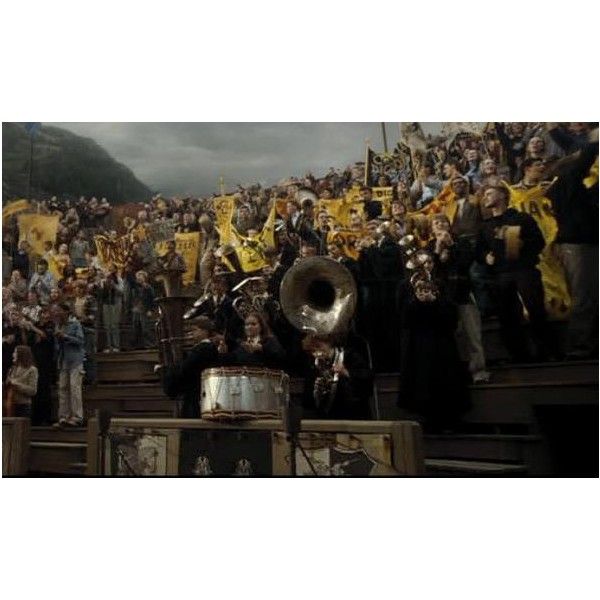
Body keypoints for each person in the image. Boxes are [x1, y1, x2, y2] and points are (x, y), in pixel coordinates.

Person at [476, 186, 557, 362]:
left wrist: (522, 244)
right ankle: (519, 355)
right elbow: (480, 250)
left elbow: (539, 241)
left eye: (489, 193)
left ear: (503, 195)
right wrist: (485, 257)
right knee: (507, 316)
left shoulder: (521, 218)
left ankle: (547, 351)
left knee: (536, 310)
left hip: (524, 270)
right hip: (501, 274)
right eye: (484, 195)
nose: (485, 197)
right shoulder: (484, 226)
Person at [546, 137, 599, 359]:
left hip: (585, 244)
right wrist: (595, 141)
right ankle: (579, 347)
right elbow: (584, 159)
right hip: (578, 246)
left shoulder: (575, 189)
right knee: (584, 297)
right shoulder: (564, 182)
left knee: (591, 296)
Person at [429, 214, 490, 383]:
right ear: (432, 228)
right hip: (442, 297)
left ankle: (479, 371)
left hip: (462, 292)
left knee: (472, 334)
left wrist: (450, 244)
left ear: (449, 225)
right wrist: (436, 250)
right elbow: (431, 272)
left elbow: (465, 262)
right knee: (448, 337)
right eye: (436, 222)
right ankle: (454, 373)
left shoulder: (461, 242)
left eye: (444, 221)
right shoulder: (428, 246)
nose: (440, 224)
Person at [300, 333, 373, 420]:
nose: (316, 353)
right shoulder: (314, 365)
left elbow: (367, 377)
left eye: (318, 346)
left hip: (353, 415)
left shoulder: (349, 355)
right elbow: (307, 399)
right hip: (326, 418)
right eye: (312, 351)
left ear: (329, 343)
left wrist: (346, 372)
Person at [161, 316, 219, 418]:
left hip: (196, 395)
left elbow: (186, 368)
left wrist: (166, 370)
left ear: (205, 331)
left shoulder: (204, 349)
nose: (191, 333)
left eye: (194, 330)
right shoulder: (202, 348)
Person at [53, 302, 85, 427]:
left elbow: (81, 341)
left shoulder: (75, 324)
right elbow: (57, 346)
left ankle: (77, 416)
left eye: (58, 310)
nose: (56, 313)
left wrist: (65, 336)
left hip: (75, 359)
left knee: (74, 387)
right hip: (63, 359)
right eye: (55, 311)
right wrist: (58, 339)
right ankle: (63, 416)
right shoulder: (58, 326)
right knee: (63, 388)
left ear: (65, 312)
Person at [218, 311, 286, 369]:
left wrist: (261, 348)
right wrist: (223, 353)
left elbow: (281, 356)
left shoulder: (269, 341)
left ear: (261, 326)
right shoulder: (241, 345)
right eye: (247, 324)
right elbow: (231, 363)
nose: (249, 327)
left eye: (253, 324)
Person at [4, 345, 38, 419]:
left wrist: (16, 384)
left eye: (15, 352)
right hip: (11, 404)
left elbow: (33, 391)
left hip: (24, 405)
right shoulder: (12, 369)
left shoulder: (32, 370)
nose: (13, 354)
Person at [99, 263, 124, 352]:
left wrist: (114, 286)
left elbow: (121, 291)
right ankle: (109, 346)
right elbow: (101, 293)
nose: (110, 271)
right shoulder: (103, 281)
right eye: (109, 269)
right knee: (107, 326)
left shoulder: (119, 280)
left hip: (116, 304)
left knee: (114, 325)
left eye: (112, 269)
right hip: (106, 304)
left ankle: (116, 345)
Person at [130, 270, 156, 349]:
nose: (139, 278)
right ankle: (137, 345)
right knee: (136, 328)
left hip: (144, 309)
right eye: (138, 276)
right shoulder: (135, 288)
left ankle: (151, 344)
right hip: (136, 309)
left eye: (141, 276)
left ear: (144, 278)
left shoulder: (148, 288)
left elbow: (152, 299)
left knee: (146, 328)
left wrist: (151, 310)